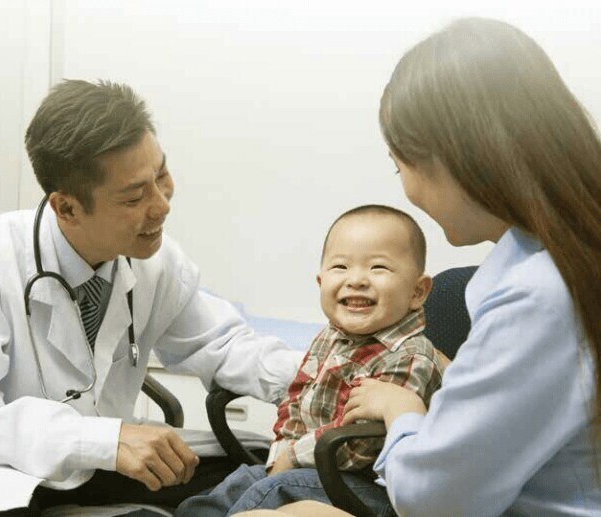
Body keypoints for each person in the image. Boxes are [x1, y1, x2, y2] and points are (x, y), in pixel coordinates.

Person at [238, 17, 601, 516]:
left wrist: (403, 413)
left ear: (455, 157)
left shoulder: (538, 294)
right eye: (340, 266)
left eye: (400, 165)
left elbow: (437, 500)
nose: (407, 188)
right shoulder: (554, 268)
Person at [0, 80, 303, 516]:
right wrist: (100, 441)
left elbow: (220, 345)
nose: (162, 205)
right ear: (66, 208)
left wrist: (322, 375)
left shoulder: (155, 262)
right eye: (134, 196)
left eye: (161, 175)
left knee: (265, 470)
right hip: (6, 474)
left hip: (106, 467)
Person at [176, 205, 447, 516]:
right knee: (239, 481)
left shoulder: (410, 355)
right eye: (340, 267)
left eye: (378, 268)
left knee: (272, 489)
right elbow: (296, 400)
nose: (356, 280)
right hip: (315, 469)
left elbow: (362, 445)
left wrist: (292, 456)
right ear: (321, 283)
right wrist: (281, 453)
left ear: (417, 291)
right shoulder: (329, 337)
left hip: (378, 488)